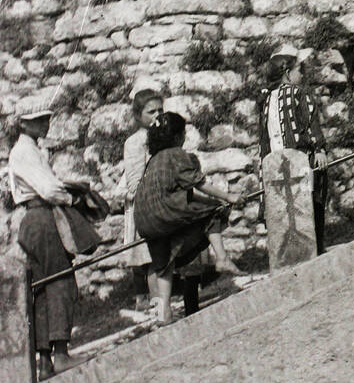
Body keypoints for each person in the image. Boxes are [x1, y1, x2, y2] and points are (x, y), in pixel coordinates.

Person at [8, 95, 102, 378]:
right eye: (40, 120)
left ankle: (45, 361)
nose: (46, 123)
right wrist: (72, 199)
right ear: (25, 124)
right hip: (42, 217)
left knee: (43, 287)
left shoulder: (30, 150)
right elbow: (48, 190)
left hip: (35, 218)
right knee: (60, 282)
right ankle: (60, 354)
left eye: (45, 118)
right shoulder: (25, 151)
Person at [135, 112, 243, 324]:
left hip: (145, 219)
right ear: (177, 137)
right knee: (214, 210)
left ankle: (163, 313)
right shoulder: (177, 155)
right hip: (164, 211)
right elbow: (198, 183)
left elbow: (183, 194)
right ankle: (221, 258)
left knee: (163, 263)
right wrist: (228, 197)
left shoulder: (153, 161)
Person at [259, 44, 330, 253]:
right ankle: (315, 246)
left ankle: (294, 250)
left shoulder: (264, 100)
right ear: (288, 74)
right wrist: (319, 148)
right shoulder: (299, 94)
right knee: (312, 199)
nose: (302, 74)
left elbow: (263, 138)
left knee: (287, 206)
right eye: (300, 70)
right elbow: (309, 122)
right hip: (301, 159)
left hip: (276, 163)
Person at [120, 87, 164, 312]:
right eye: (151, 112)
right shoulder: (135, 142)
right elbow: (135, 180)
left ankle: (157, 297)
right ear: (138, 116)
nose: (157, 115)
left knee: (157, 252)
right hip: (145, 201)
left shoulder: (161, 134)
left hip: (160, 197)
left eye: (160, 110)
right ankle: (152, 299)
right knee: (148, 254)